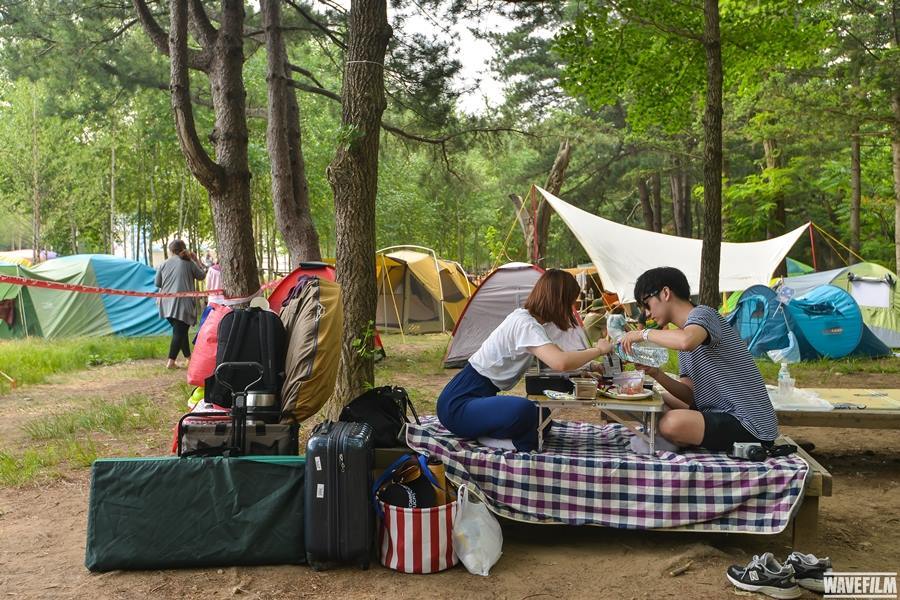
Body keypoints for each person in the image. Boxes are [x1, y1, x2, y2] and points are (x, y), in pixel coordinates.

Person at [437, 269, 613, 451]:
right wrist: (599, 350)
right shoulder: (525, 324)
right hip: (458, 406)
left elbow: (552, 358)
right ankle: (498, 441)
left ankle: (490, 434)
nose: (570, 309)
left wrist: (588, 366)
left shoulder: (528, 321)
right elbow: (560, 362)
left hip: (474, 396)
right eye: (569, 303)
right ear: (558, 301)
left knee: (542, 417)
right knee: (528, 413)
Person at [619, 266, 778, 451]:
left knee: (670, 422)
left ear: (665, 293)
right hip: (718, 413)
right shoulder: (683, 337)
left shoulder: (704, 315)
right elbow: (689, 394)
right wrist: (656, 374)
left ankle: (672, 437)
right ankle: (673, 438)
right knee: (658, 401)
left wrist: (643, 334)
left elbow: (687, 341)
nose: (646, 313)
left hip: (749, 424)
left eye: (646, 304)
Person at [155, 240, 207, 369]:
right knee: (179, 332)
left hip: (165, 303)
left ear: (171, 251)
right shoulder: (188, 263)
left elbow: (157, 283)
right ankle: (171, 362)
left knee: (181, 331)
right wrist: (196, 260)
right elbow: (202, 275)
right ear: (184, 249)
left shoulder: (163, 264)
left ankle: (189, 358)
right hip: (182, 304)